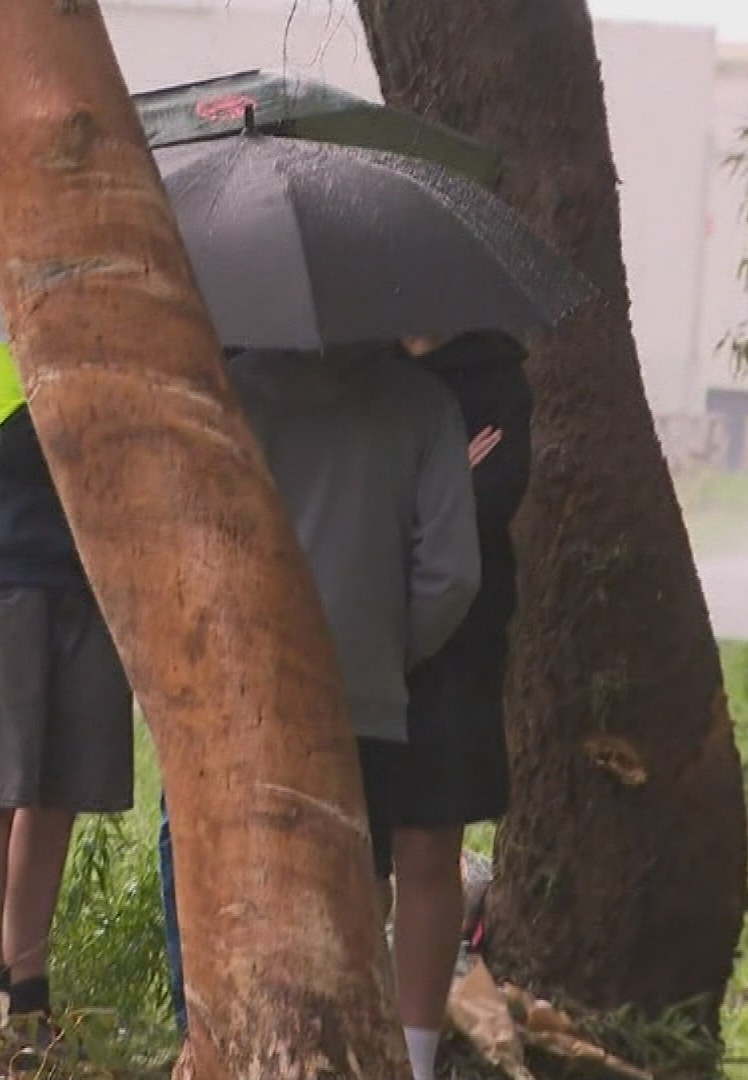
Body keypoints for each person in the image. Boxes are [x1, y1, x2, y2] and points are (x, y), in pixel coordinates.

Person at [158, 342, 482, 1052]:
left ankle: (219, 1044)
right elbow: (452, 574)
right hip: (364, 700)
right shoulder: (423, 403)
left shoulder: (226, 389)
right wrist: (389, 651)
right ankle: (341, 1050)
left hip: (239, 697)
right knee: (354, 893)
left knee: (229, 880)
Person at [0, 333, 135, 1032]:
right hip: (2, 562)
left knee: (58, 790)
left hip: (96, 566)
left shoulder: (98, 309)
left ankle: (29, 984)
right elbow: (12, 436)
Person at [385, 331, 533, 1080]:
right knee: (347, 854)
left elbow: (487, 501)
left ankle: (413, 1057)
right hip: (355, 640)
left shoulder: (494, 371)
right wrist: (440, 479)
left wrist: (412, 492)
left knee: (430, 850)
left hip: (459, 648)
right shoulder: (350, 359)